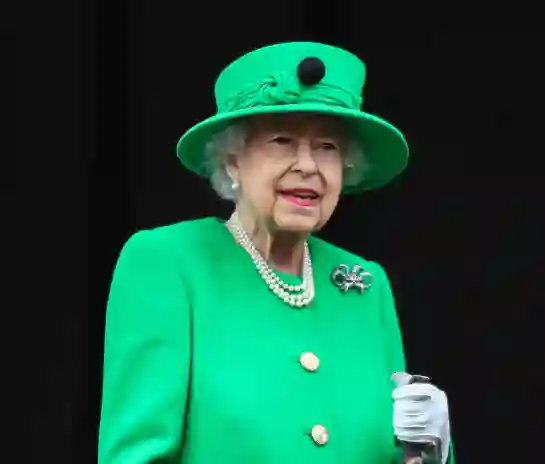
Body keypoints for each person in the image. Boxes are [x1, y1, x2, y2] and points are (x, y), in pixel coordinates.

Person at [98, 42, 454, 464]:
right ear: (232, 162)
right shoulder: (167, 262)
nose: (308, 165)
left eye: (327, 147)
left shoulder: (364, 283)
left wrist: (430, 454)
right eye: (282, 141)